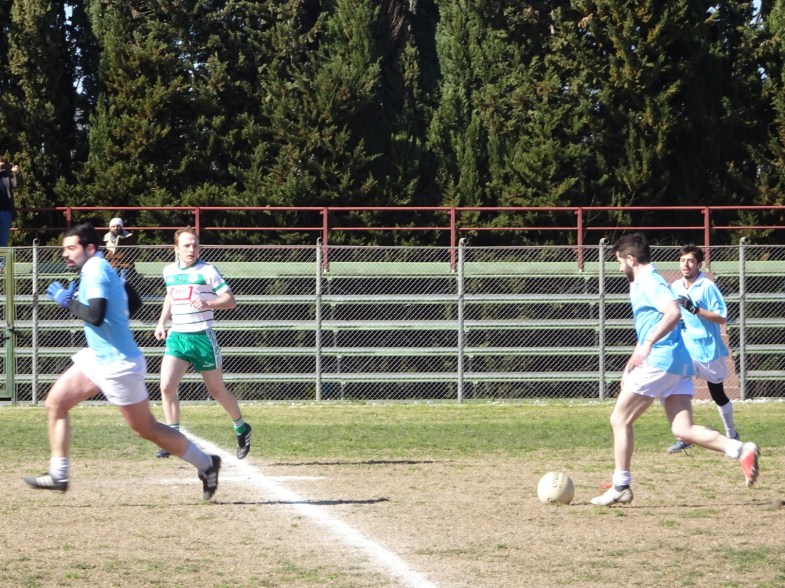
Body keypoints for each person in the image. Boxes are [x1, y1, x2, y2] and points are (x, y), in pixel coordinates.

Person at [23, 223, 221, 500]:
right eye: (64, 248)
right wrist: (116, 320)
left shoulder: (95, 269)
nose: (65, 254)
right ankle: (59, 474)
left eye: (71, 248)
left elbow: (95, 316)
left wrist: (67, 302)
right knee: (56, 403)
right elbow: (134, 301)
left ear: (89, 248)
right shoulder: (100, 267)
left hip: (118, 364)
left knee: (146, 429)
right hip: (99, 355)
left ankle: (207, 464)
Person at [591, 233, 759, 506]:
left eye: (620, 262)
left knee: (619, 419)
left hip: (661, 361)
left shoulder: (650, 282)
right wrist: (632, 361)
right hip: (678, 363)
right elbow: (650, 325)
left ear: (631, 259)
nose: (619, 268)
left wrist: (647, 345)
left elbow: (673, 313)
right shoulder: (644, 282)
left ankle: (620, 485)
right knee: (683, 429)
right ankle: (740, 450)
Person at [153, 227, 252, 459]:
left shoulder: (207, 270)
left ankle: (241, 428)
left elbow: (230, 300)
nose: (191, 249)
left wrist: (208, 303)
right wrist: (161, 322)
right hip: (178, 337)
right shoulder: (168, 271)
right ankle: (173, 438)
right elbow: (170, 295)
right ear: (176, 248)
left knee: (217, 391)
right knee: (166, 387)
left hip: (202, 338)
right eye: (186, 245)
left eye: (195, 245)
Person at [667, 244, 738, 453]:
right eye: (682, 261)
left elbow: (722, 317)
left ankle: (732, 435)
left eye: (690, 261)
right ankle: (684, 435)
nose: (686, 265)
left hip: (708, 350)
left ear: (698, 264)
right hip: (686, 348)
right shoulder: (675, 287)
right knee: (676, 389)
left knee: (718, 394)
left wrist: (696, 310)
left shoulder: (707, 286)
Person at [0, 159, 21, 256]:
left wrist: (15, 172)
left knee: (3, 242)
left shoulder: (6, 176)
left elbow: (17, 184)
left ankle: (1, 263)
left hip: (6, 212)